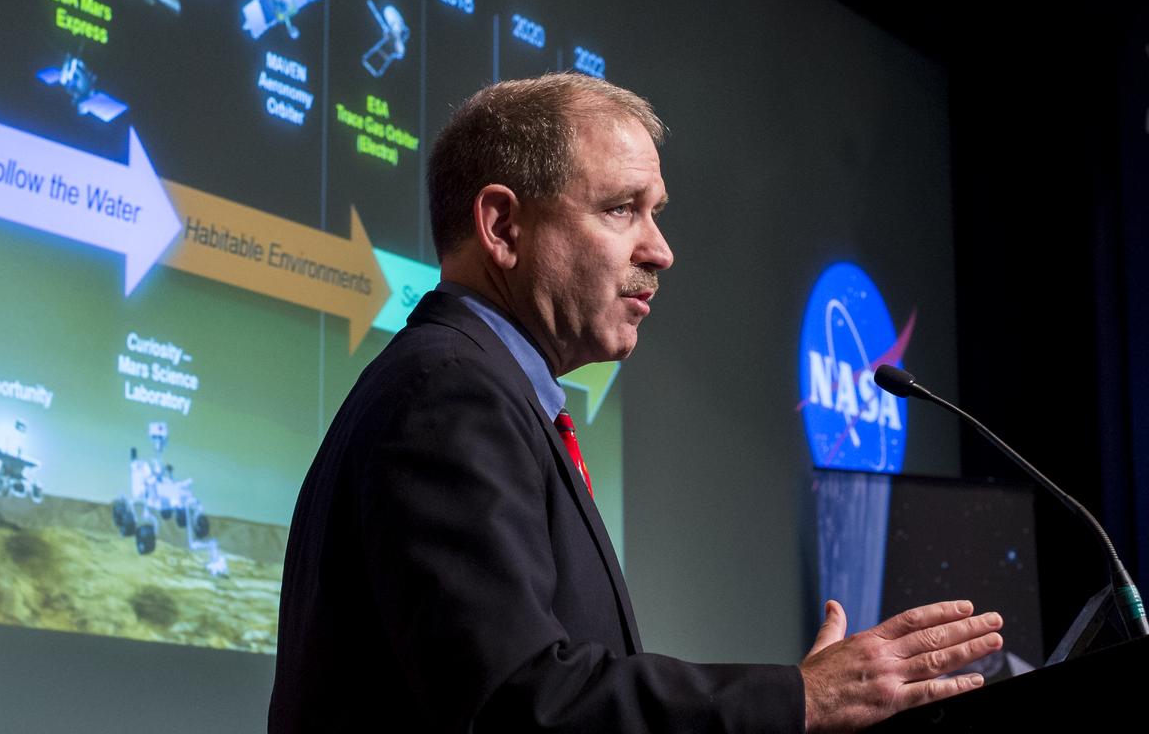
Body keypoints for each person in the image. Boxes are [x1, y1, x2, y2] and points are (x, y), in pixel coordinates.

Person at [268, 73, 1002, 733]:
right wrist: (798, 700)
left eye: (656, 212)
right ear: (502, 226)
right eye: (622, 209)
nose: (661, 250)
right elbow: (520, 705)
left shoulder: (481, 391)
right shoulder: (448, 393)